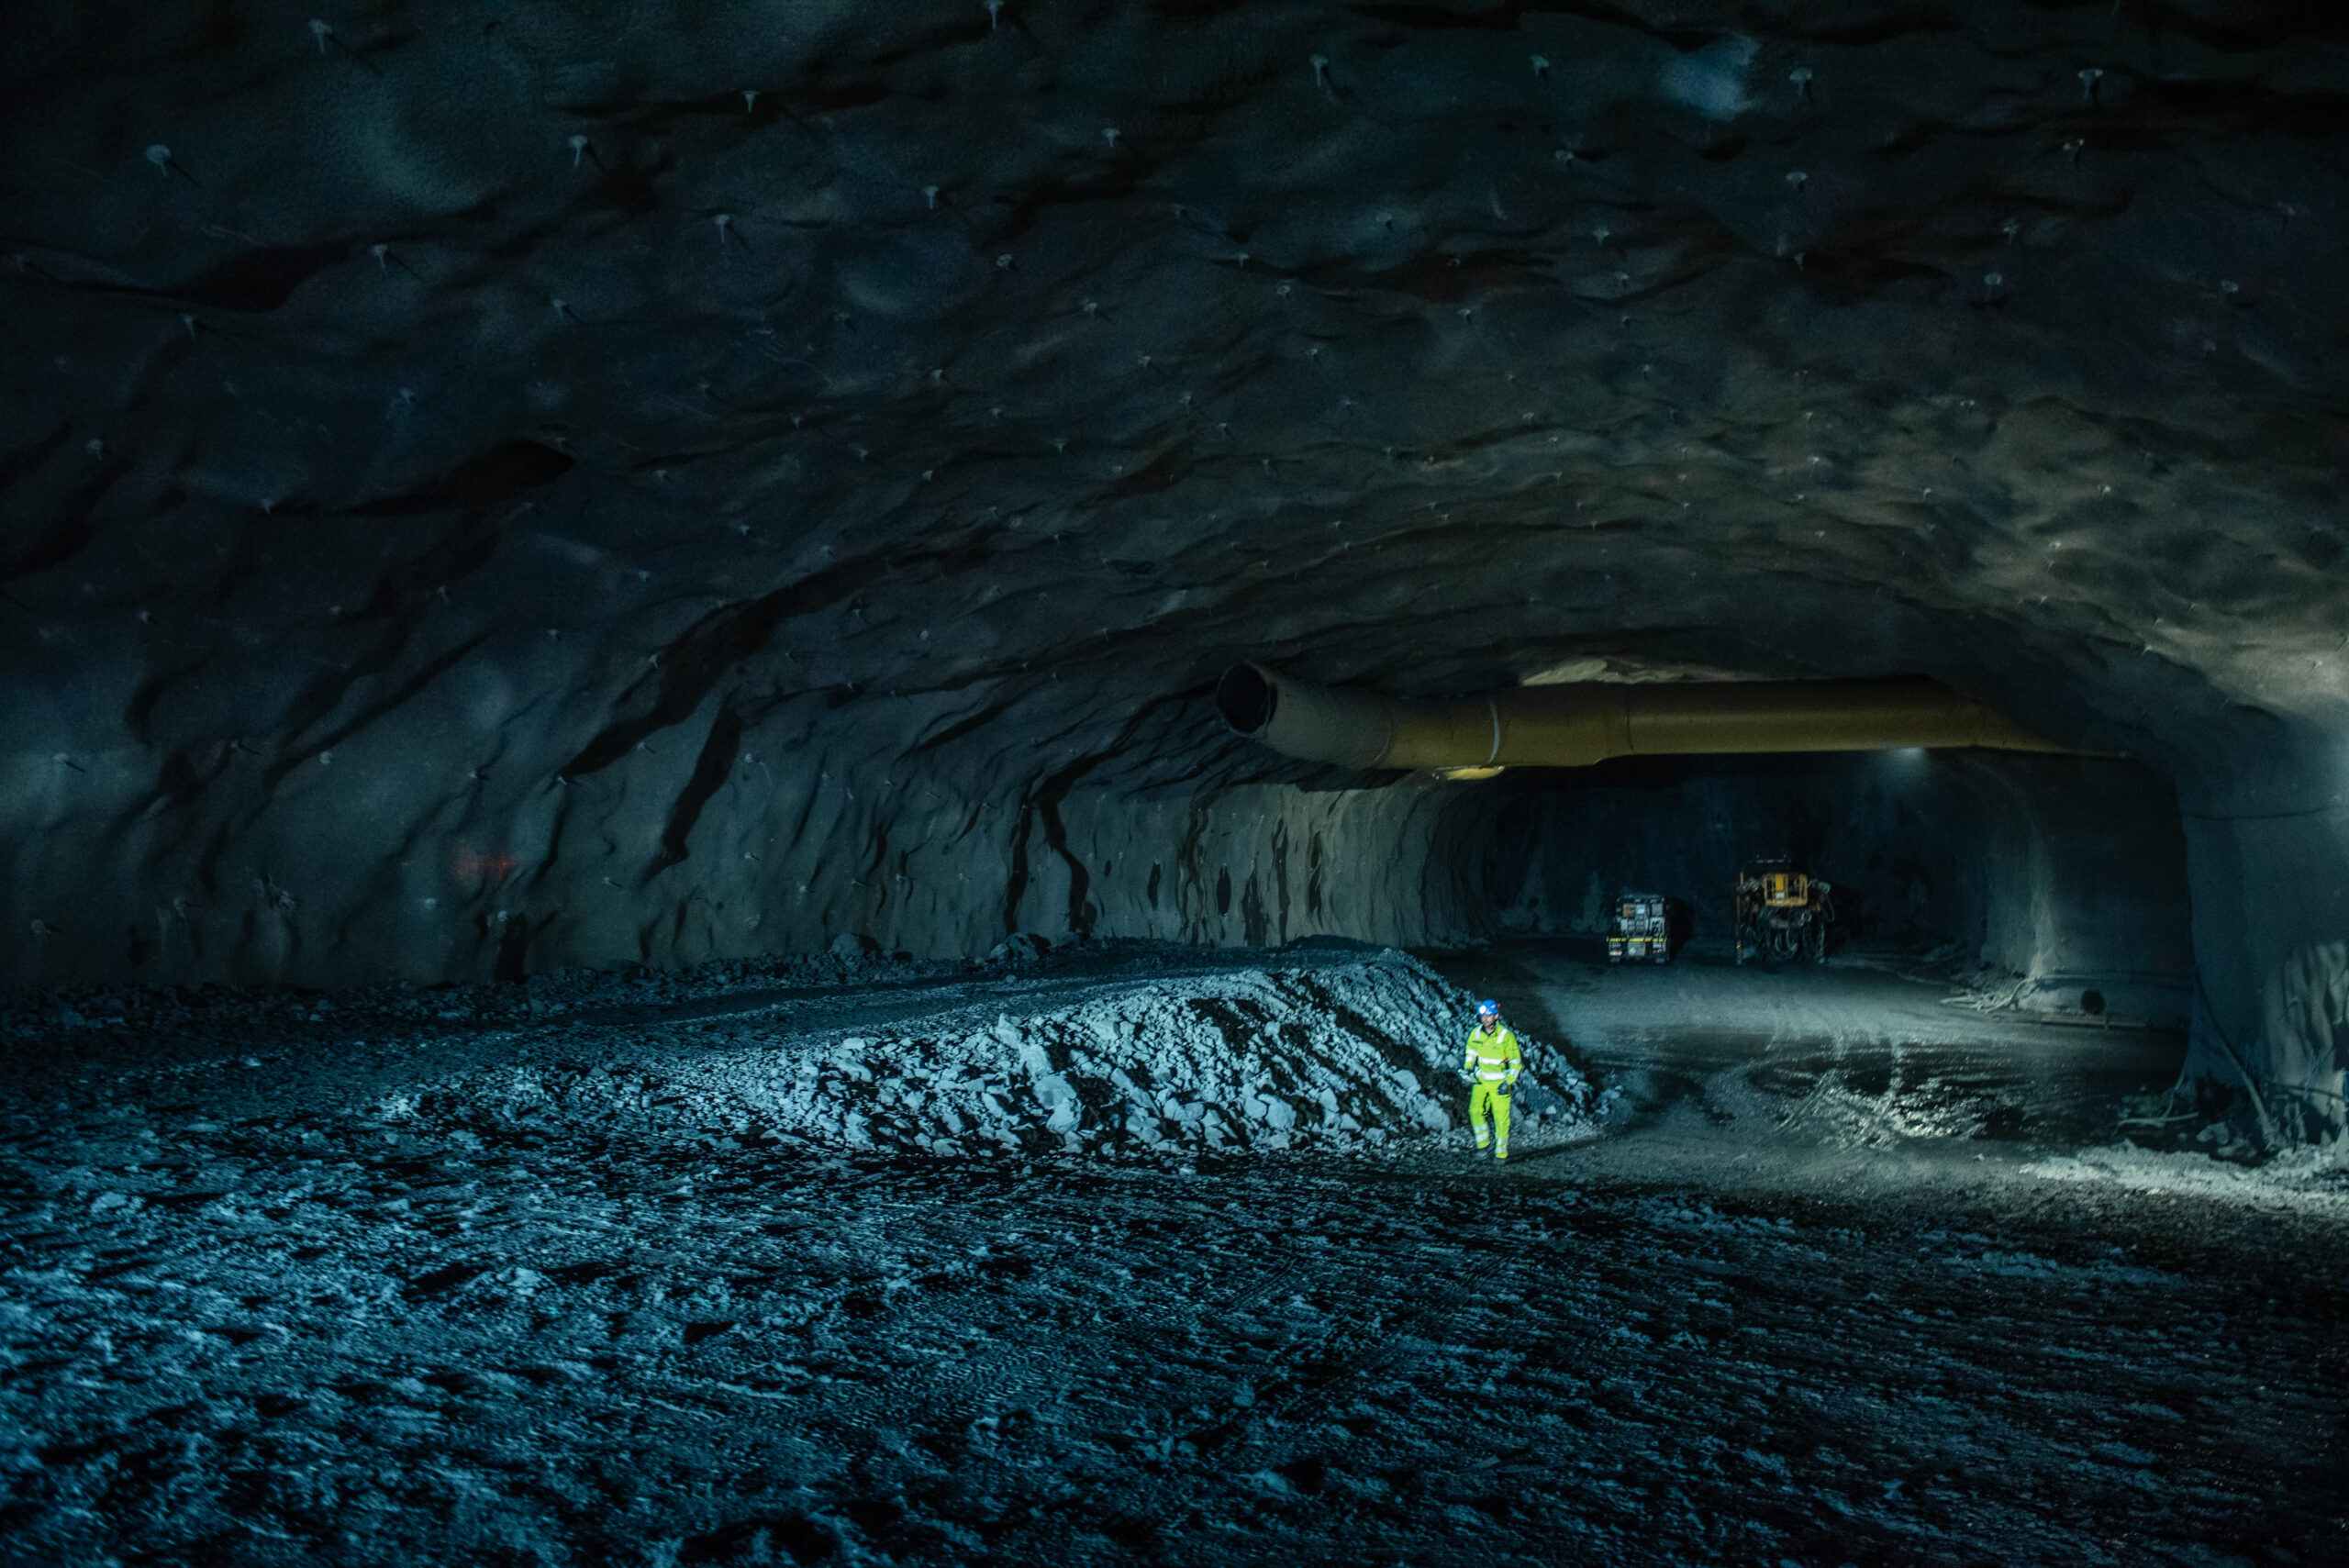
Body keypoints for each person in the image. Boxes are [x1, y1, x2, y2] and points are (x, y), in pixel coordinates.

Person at [1460, 999, 1523, 1162]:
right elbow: (1471, 1052)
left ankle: (1501, 1154)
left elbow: (1516, 1062)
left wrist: (1508, 1081)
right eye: (1483, 1016)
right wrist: (1468, 1068)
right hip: (1480, 1080)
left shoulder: (1506, 1036)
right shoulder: (1475, 1033)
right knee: (1475, 1111)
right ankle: (1483, 1146)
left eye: (1488, 1016)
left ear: (1496, 1016)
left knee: (1501, 1119)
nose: (1485, 1019)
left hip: (1499, 1083)